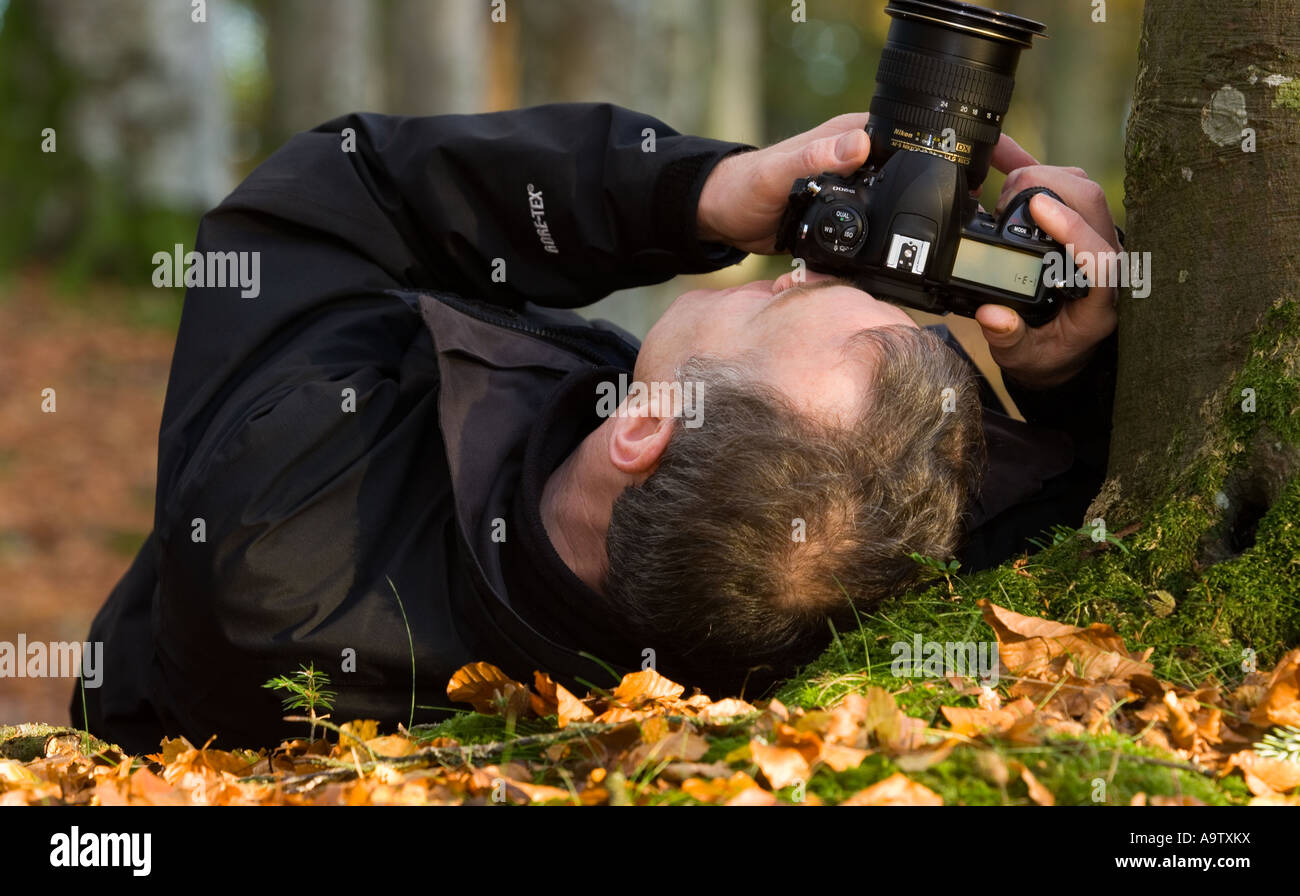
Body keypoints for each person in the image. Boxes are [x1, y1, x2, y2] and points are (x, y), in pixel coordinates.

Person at [77, 104, 1121, 752]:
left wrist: (691, 196)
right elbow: (1062, 523)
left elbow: (337, 196)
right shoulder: (812, 626)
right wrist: (1076, 371)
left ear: (643, 430)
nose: (798, 268)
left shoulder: (292, 501)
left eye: (784, 300)